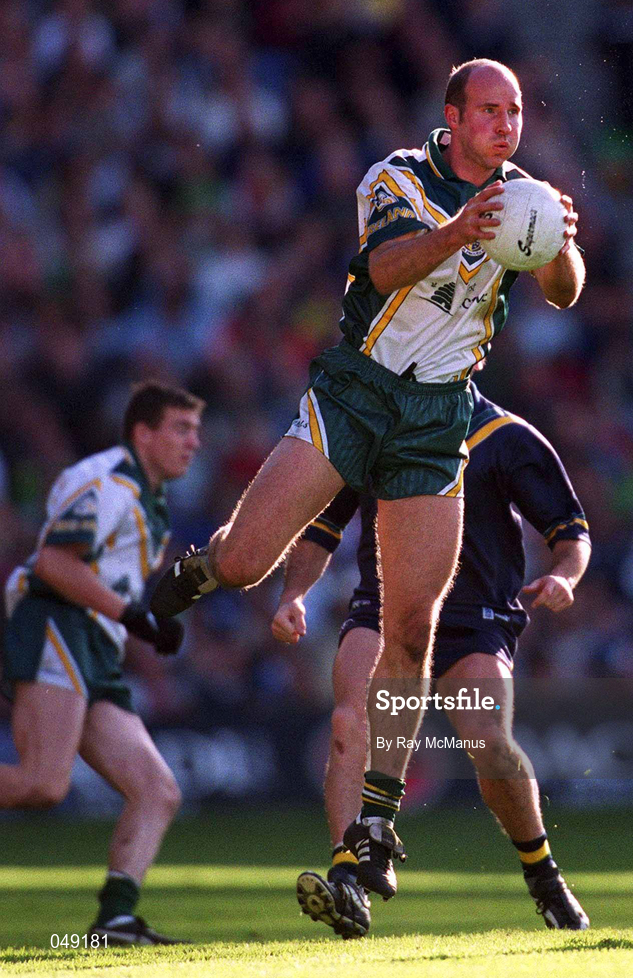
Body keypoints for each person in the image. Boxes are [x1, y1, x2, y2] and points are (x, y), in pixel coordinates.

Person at [150, 58, 585, 898]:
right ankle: (198, 570)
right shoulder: (395, 178)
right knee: (246, 563)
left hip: (436, 415)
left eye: (516, 111)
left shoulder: (522, 193)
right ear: (450, 118)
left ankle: (370, 836)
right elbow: (383, 269)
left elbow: (564, 294)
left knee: (411, 628)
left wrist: (559, 240)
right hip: (358, 392)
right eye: (488, 111)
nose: (506, 125)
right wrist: (463, 231)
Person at [274, 383, 591, 937]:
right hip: (385, 608)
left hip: (473, 623)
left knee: (488, 741)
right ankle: (348, 877)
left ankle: (542, 875)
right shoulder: (373, 432)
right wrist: (292, 595)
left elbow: (571, 532)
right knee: (350, 722)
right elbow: (321, 529)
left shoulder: (506, 436)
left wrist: (565, 576)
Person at [1, 381, 203, 946]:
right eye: (181, 429)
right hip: (56, 623)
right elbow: (51, 565)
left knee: (157, 789)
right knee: (43, 783)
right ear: (143, 433)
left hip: (92, 641)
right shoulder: (111, 481)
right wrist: (137, 617)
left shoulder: (149, 495)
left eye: (197, 431)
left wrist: (142, 620)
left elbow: (105, 578)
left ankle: (113, 921)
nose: (194, 443)